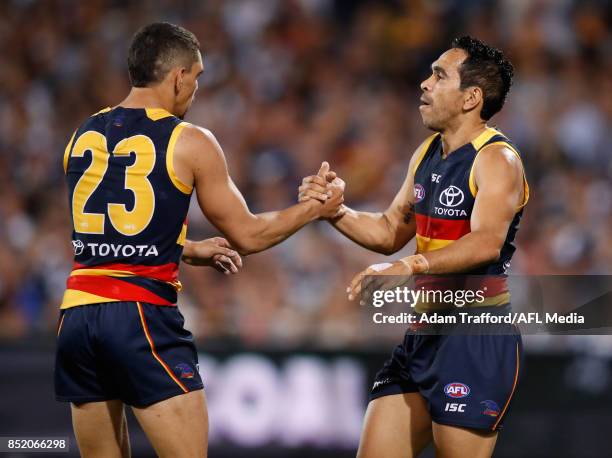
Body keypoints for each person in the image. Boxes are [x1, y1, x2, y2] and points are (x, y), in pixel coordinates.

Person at [56, 22, 343, 458]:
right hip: (140, 317)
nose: (196, 89)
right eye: (197, 77)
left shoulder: (81, 135)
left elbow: (103, 234)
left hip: (77, 317)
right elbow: (247, 235)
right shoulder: (188, 139)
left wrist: (185, 248)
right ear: (178, 77)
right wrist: (314, 208)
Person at [300, 36, 528, 457]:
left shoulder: (498, 159)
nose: (425, 83)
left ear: (470, 98)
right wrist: (333, 211)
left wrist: (411, 266)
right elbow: (389, 231)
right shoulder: (427, 153)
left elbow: (486, 244)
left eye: (440, 75)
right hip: (423, 334)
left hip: (474, 335)